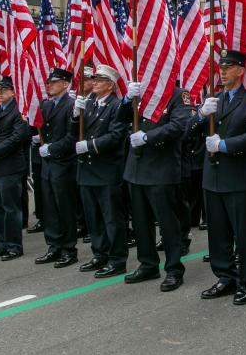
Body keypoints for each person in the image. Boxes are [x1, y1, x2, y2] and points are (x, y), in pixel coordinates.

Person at [188, 49, 246, 306]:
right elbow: (187, 133)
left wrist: (224, 145)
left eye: (228, 67)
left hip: (239, 179)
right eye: (221, 67)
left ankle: (245, 281)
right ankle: (224, 276)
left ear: (241, 71)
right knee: (218, 233)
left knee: (241, 235)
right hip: (213, 179)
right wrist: (200, 115)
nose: (222, 71)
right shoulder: (213, 100)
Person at [119, 80, 193, 292]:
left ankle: (173, 269)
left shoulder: (179, 95)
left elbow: (179, 126)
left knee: (168, 223)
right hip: (136, 167)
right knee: (141, 222)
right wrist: (126, 100)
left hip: (162, 168)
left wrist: (147, 137)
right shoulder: (142, 93)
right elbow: (121, 118)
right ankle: (148, 263)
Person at [74, 65, 128, 278]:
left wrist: (90, 145)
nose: (94, 82)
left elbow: (116, 136)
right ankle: (100, 254)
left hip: (106, 169)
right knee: (93, 217)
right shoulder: (88, 104)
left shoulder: (115, 106)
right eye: (94, 79)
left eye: (99, 79)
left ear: (111, 85)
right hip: (87, 170)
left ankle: (117, 259)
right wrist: (74, 115)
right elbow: (74, 131)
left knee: (112, 218)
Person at [0, 76, 30, 261]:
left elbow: (17, 137)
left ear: (13, 91)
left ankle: (14, 246)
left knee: (10, 208)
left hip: (9, 165)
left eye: (4, 89)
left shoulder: (18, 110)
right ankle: (2, 243)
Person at [35, 68, 80, 269]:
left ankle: (69, 249)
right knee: (50, 208)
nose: (49, 85)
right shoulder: (45, 105)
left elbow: (72, 137)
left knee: (65, 208)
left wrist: (51, 148)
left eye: (54, 82)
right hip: (48, 165)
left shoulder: (71, 105)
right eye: (48, 82)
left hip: (64, 163)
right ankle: (53, 245)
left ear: (65, 84)